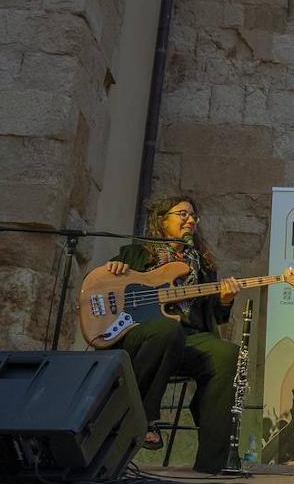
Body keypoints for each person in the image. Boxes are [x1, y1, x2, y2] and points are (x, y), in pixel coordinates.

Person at [103, 195, 242, 473]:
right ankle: (143, 417)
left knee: (227, 353)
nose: (190, 220)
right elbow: (104, 288)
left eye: (193, 216)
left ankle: (214, 461)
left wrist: (225, 301)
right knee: (168, 329)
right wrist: (113, 270)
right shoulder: (136, 254)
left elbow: (213, 314)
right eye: (182, 214)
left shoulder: (203, 265)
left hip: (187, 337)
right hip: (140, 334)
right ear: (161, 220)